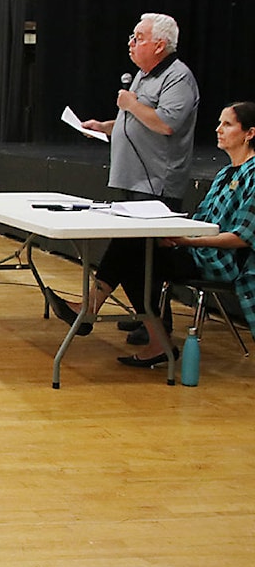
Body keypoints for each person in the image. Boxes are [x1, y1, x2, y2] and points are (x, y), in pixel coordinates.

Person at [47, 101, 255, 368]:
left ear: (249, 133)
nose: (218, 129)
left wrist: (186, 240)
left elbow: (241, 238)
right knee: (135, 245)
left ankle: (92, 308)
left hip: (222, 262)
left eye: (227, 124)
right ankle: (106, 315)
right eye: (219, 123)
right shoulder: (226, 173)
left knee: (136, 257)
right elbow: (202, 218)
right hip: (197, 249)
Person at [80, 12, 200, 346]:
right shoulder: (143, 76)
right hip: (132, 178)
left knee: (139, 253)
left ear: (160, 44)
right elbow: (136, 120)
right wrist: (105, 126)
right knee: (138, 256)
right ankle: (149, 321)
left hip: (157, 181)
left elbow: (166, 124)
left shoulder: (178, 77)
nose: (131, 43)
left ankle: (95, 308)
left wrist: (131, 105)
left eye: (139, 37)